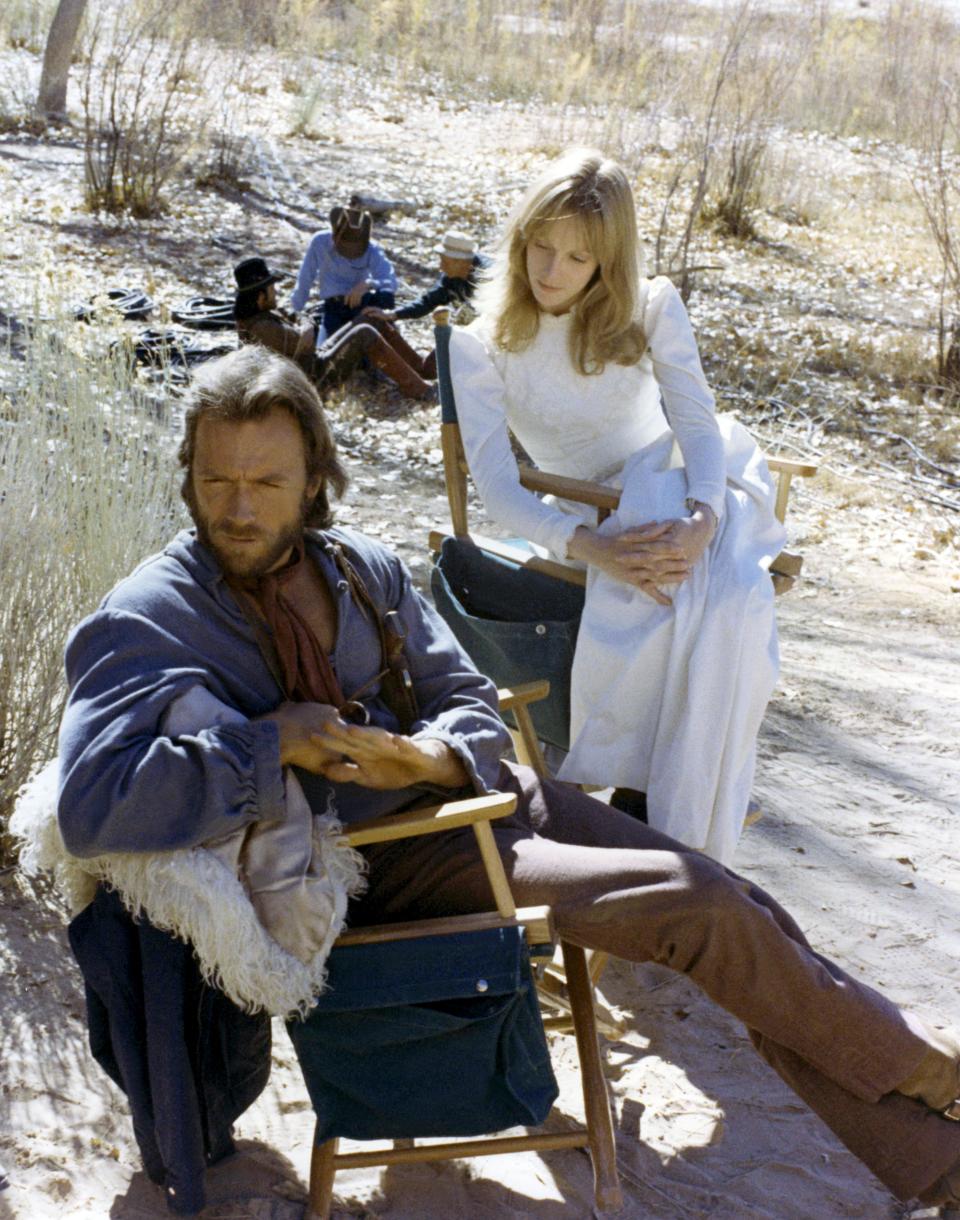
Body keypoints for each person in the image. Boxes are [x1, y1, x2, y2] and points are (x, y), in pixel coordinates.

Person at [52, 346, 960, 1215]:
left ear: (315, 481)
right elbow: (92, 806)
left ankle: (929, 1146)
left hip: (486, 797)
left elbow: (465, 694)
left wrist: (429, 757)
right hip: (394, 860)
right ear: (188, 477)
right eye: (217, 482)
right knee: (703, 915)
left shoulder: (355, 567)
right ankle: (927, 1077)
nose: (239, 509)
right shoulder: (151, 615)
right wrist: (270, 744)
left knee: (738, 899)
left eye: (266, 483)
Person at [449, 147, 783, 864]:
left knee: (728, 598)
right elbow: (499, 487)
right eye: (542, 247)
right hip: (584, 516)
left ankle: (674, 806)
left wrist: (703, 517)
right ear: (520, 241)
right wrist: (590, 545)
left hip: (679, 484)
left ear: (607, 262)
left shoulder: (650, 306)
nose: (552, 272)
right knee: (659, 589)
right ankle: (651, 811)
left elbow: (695, 422)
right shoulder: (481, 345)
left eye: (577, 258)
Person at [235, 255, 435, 401]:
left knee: (369, 318)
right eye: (271, 290)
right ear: (261, 298)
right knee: (365, 333)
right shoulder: (263, 329)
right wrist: (306, 324)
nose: (276, 293)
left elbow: (296, 316)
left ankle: (419, 368)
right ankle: (418, 390)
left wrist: (304, 322)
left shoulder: (262, 314)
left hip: (314, 362)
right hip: (313, 379)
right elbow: (307, 336)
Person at [363, 230, 488, 379]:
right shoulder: (450, 277)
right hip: (468, 332)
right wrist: (393, 314)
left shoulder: (488, 278)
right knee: (429, 370)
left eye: (444, 262)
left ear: (460, 262)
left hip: (492, 338)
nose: (441, 267)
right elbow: (428, 302)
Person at [290, 205, 397, 340]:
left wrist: (368, 284)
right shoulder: (320, 242)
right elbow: (305, 278)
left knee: (385, 298)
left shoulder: (373, 250)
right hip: (332, 309)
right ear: (335, 236)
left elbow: (391, 282)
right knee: (323, 351)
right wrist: (295, 310)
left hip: (361, 308)